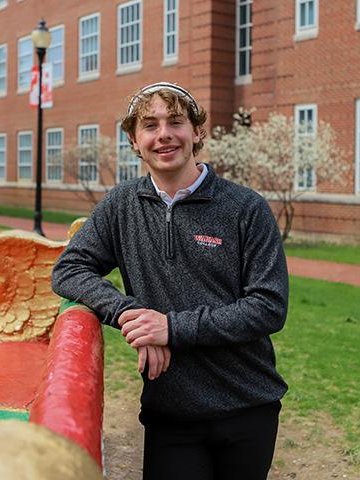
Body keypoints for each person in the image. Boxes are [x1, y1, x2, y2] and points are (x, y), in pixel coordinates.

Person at [51, 82, 288, 480]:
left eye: (175, 122)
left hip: (247, 406)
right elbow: (69, 269)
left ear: (197, 132)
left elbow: (268, 307)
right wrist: (133, 314)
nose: (164, 134)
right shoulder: (122, 205)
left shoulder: (246, 208)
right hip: (171, 412)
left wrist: (171, 328)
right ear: (134, 140)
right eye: (150, 125)